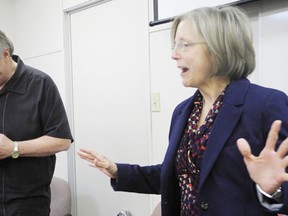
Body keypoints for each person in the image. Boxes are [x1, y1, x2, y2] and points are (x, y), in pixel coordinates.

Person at [77, 6, 288, 216]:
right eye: (174, 45)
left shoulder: (267, 104)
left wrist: (271, 190)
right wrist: (117, 170)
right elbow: (175, 177)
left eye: (184, 45)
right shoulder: (183, 112)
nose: (174, 55)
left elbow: (279, 185)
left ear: (219, 48)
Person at [0, 30, 73, 216]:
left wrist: (14, 148)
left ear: (6, 54)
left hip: (27, 203)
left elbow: (62, 140)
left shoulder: (40, 84)